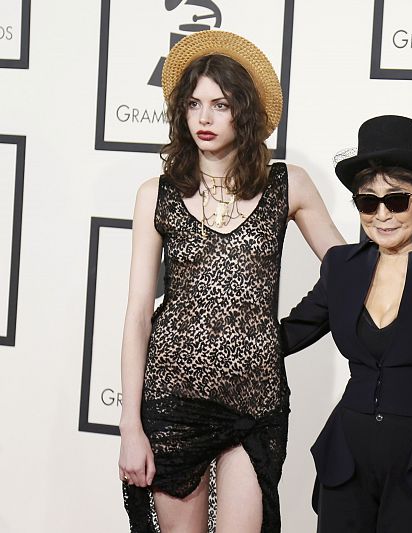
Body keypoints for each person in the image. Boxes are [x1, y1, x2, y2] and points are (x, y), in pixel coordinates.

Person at [117, 30, 343, 533]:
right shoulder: (157, 193)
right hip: (173, 400)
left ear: (245, 110)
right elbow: (137, 316)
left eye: (220, 104)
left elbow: (347, 271)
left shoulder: (289, 184)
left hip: (255, 404)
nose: (204, 117)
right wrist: (130, 424)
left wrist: (283, 336)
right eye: (194, 104)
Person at [280, 115, 412, 533]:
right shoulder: (342, 267)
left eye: (397, 200)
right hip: (346, 459)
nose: (382, 214)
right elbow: (287, 334)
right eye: (368, 201)